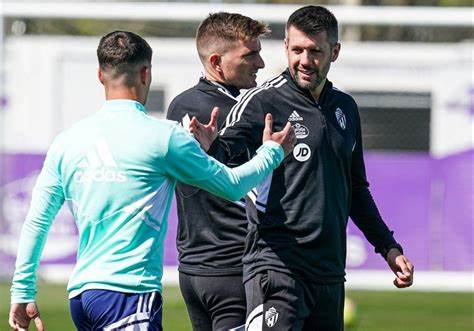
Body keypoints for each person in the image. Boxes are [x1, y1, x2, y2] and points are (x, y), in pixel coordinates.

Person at [8, 31, 295, 331]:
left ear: (99, 75)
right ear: (146, 73)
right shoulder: (165, 137)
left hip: (82, 297)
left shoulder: (66, 142)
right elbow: (233, 185)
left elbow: (37, 221)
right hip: (129, 295)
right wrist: (272, 152)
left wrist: (23, 291)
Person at [190, 6, 414, 330]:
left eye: (315, 51)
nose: (304, 61)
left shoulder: (346, 109)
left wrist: (388, 247)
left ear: (334, 52)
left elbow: (356, 189)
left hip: (329, 274)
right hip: (277, 267)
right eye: (297, 50)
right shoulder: (263, 102)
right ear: (285, 47)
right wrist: (212, 146)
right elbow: (227, 157)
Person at [165, 12, 268, 331]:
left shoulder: (181, 104)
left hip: (195, 268)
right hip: (233, 267)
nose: (261, 63)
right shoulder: (235, 111)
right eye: (250, 55)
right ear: (216, 61)